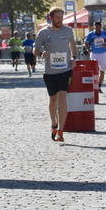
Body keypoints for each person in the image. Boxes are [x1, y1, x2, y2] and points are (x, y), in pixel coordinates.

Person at [33, 8, 75, 142]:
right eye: (57, 18)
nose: (60, 20)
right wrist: (40, 54)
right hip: (50, 72)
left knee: (63, 97)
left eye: (61, 17)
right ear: (51, 18)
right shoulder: (44, 32)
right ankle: (54, 124)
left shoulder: (68, 30)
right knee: (53, 100)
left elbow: (72, 43)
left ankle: (61, 131)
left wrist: (73, 57)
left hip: (65, 70)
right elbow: (36, 48)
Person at [84, 21, 106, 87]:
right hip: (94, 54)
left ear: (100, 27)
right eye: (96, 27)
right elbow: (86, 42)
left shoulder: (105, 34)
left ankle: (99, 85)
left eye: (98, 27)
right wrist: (88, 49)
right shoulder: (91, 34)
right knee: (95, 70)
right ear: (94, 27)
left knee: (102, 71)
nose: (97, 28)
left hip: (103, 54)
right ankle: (95, 85)